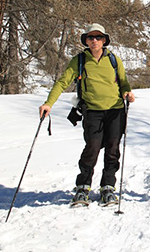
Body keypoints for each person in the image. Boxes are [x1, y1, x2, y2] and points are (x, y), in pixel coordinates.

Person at [39, 23, 135, 205]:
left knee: (113, 149)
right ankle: (83, 187)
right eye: (90, 38)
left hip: (115, 110)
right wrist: (48, 103)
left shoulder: (114, 59)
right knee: (92, 147)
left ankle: (108, 187)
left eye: (98, 37)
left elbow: (123, 82)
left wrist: (127, 93)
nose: (94, 41)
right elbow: (62, 82)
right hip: (92, 111)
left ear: (104, 40)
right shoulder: (79, 60)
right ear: (86, 41)